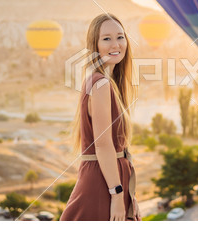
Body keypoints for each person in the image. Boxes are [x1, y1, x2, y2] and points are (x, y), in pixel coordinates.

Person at [60, 13, 141, 221]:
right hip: (103, 184)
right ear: (94, 45)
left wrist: (130, 197)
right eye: (106, 39)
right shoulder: (101, 84)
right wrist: (116, 195)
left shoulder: (105, 83)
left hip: (112, 180)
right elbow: (103, 145)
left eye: (120, 37)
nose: (116, 44)